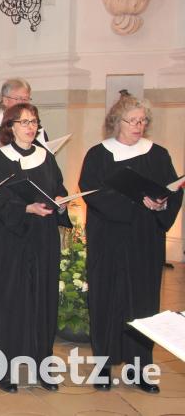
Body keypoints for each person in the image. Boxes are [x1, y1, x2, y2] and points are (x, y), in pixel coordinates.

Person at [79, 92, 182, 393]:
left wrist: (162, 204)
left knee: (143, 302)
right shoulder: (99, 154)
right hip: (109, 238)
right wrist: (136, 201)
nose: (139, 126)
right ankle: (103, 367)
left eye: (143, 121)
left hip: (145, 239)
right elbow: (91, 192)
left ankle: (139, 368)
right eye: (133, 121)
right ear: (116, 122)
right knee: (106, 300)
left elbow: (173, 191)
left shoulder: (158, 154)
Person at [0, 103, 70, 393]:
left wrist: (62, 200)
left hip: (43, 238)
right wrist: (25, 208)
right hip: (10, 241)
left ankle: (42, 366)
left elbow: (58, 186)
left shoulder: (45, 156)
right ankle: (5, 370)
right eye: (23, 122)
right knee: (10, 301)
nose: (30, 127)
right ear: (10, 127)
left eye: (33, 121)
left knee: (42, 300)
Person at [0, 78, 48, 162]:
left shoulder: (35, 127)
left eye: (26, 99)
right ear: (5, 100)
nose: (23, 104)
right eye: (18, 99)